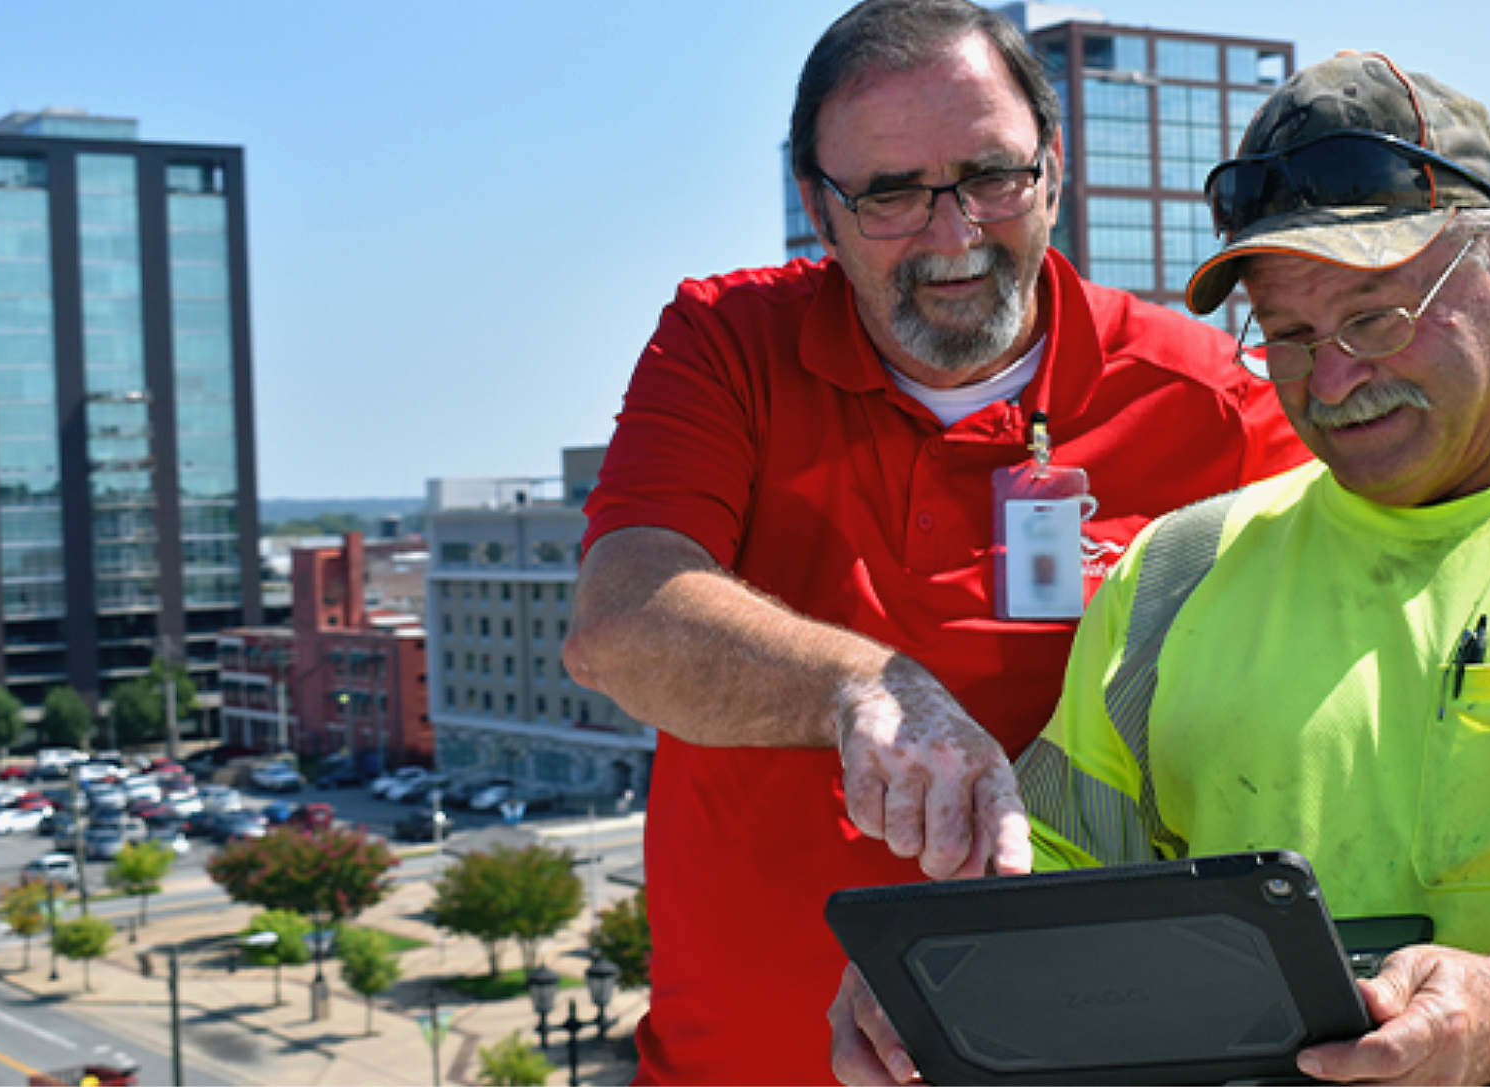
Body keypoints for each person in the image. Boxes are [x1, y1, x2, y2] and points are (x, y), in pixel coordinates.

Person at [830, 51, 1490, 1086]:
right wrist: (943, 982)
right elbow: (1053, 879)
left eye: (1376, 320)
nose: (1335, 379)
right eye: (1290, 337)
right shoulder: (1175, 573)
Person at [561, 1, 1310, 1081]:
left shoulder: (1216, 405)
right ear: (820, 209)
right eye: (892, 193)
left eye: (990, 175)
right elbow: (621, 622)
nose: (953, 234)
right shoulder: (724, 345)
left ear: (1053, 172)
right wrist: (866, 688)